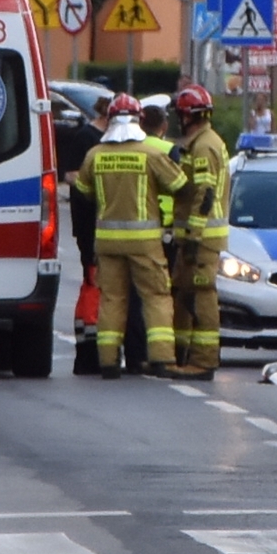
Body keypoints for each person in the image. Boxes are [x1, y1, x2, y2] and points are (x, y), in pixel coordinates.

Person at [73, 94, 191, 379]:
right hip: (145, 242)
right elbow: (180, 186)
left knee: (112, 299)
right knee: (156, 297)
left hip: (107, 242)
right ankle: (162, 358)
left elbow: (83, 192)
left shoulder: (95, 154)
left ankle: (108, 362)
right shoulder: (150, 155)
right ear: (138, 119)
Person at [170, 84, 230, 379]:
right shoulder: (201, 142)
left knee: (202, 294)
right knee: (183, 293)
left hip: (203, 237)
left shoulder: (205, 146)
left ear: (187, 116)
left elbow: (204, 194)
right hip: (195, 236)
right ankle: (179, 356)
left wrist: (193, 237)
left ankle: (204, 361)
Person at [58, 96, 108, 374]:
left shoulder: (103, 138)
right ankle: (88, 348)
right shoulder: (86, 137)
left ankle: (93, 343)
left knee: (97, 284)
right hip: (89, 223)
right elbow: (71, 175)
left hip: (99, 223)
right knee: (93, 282)